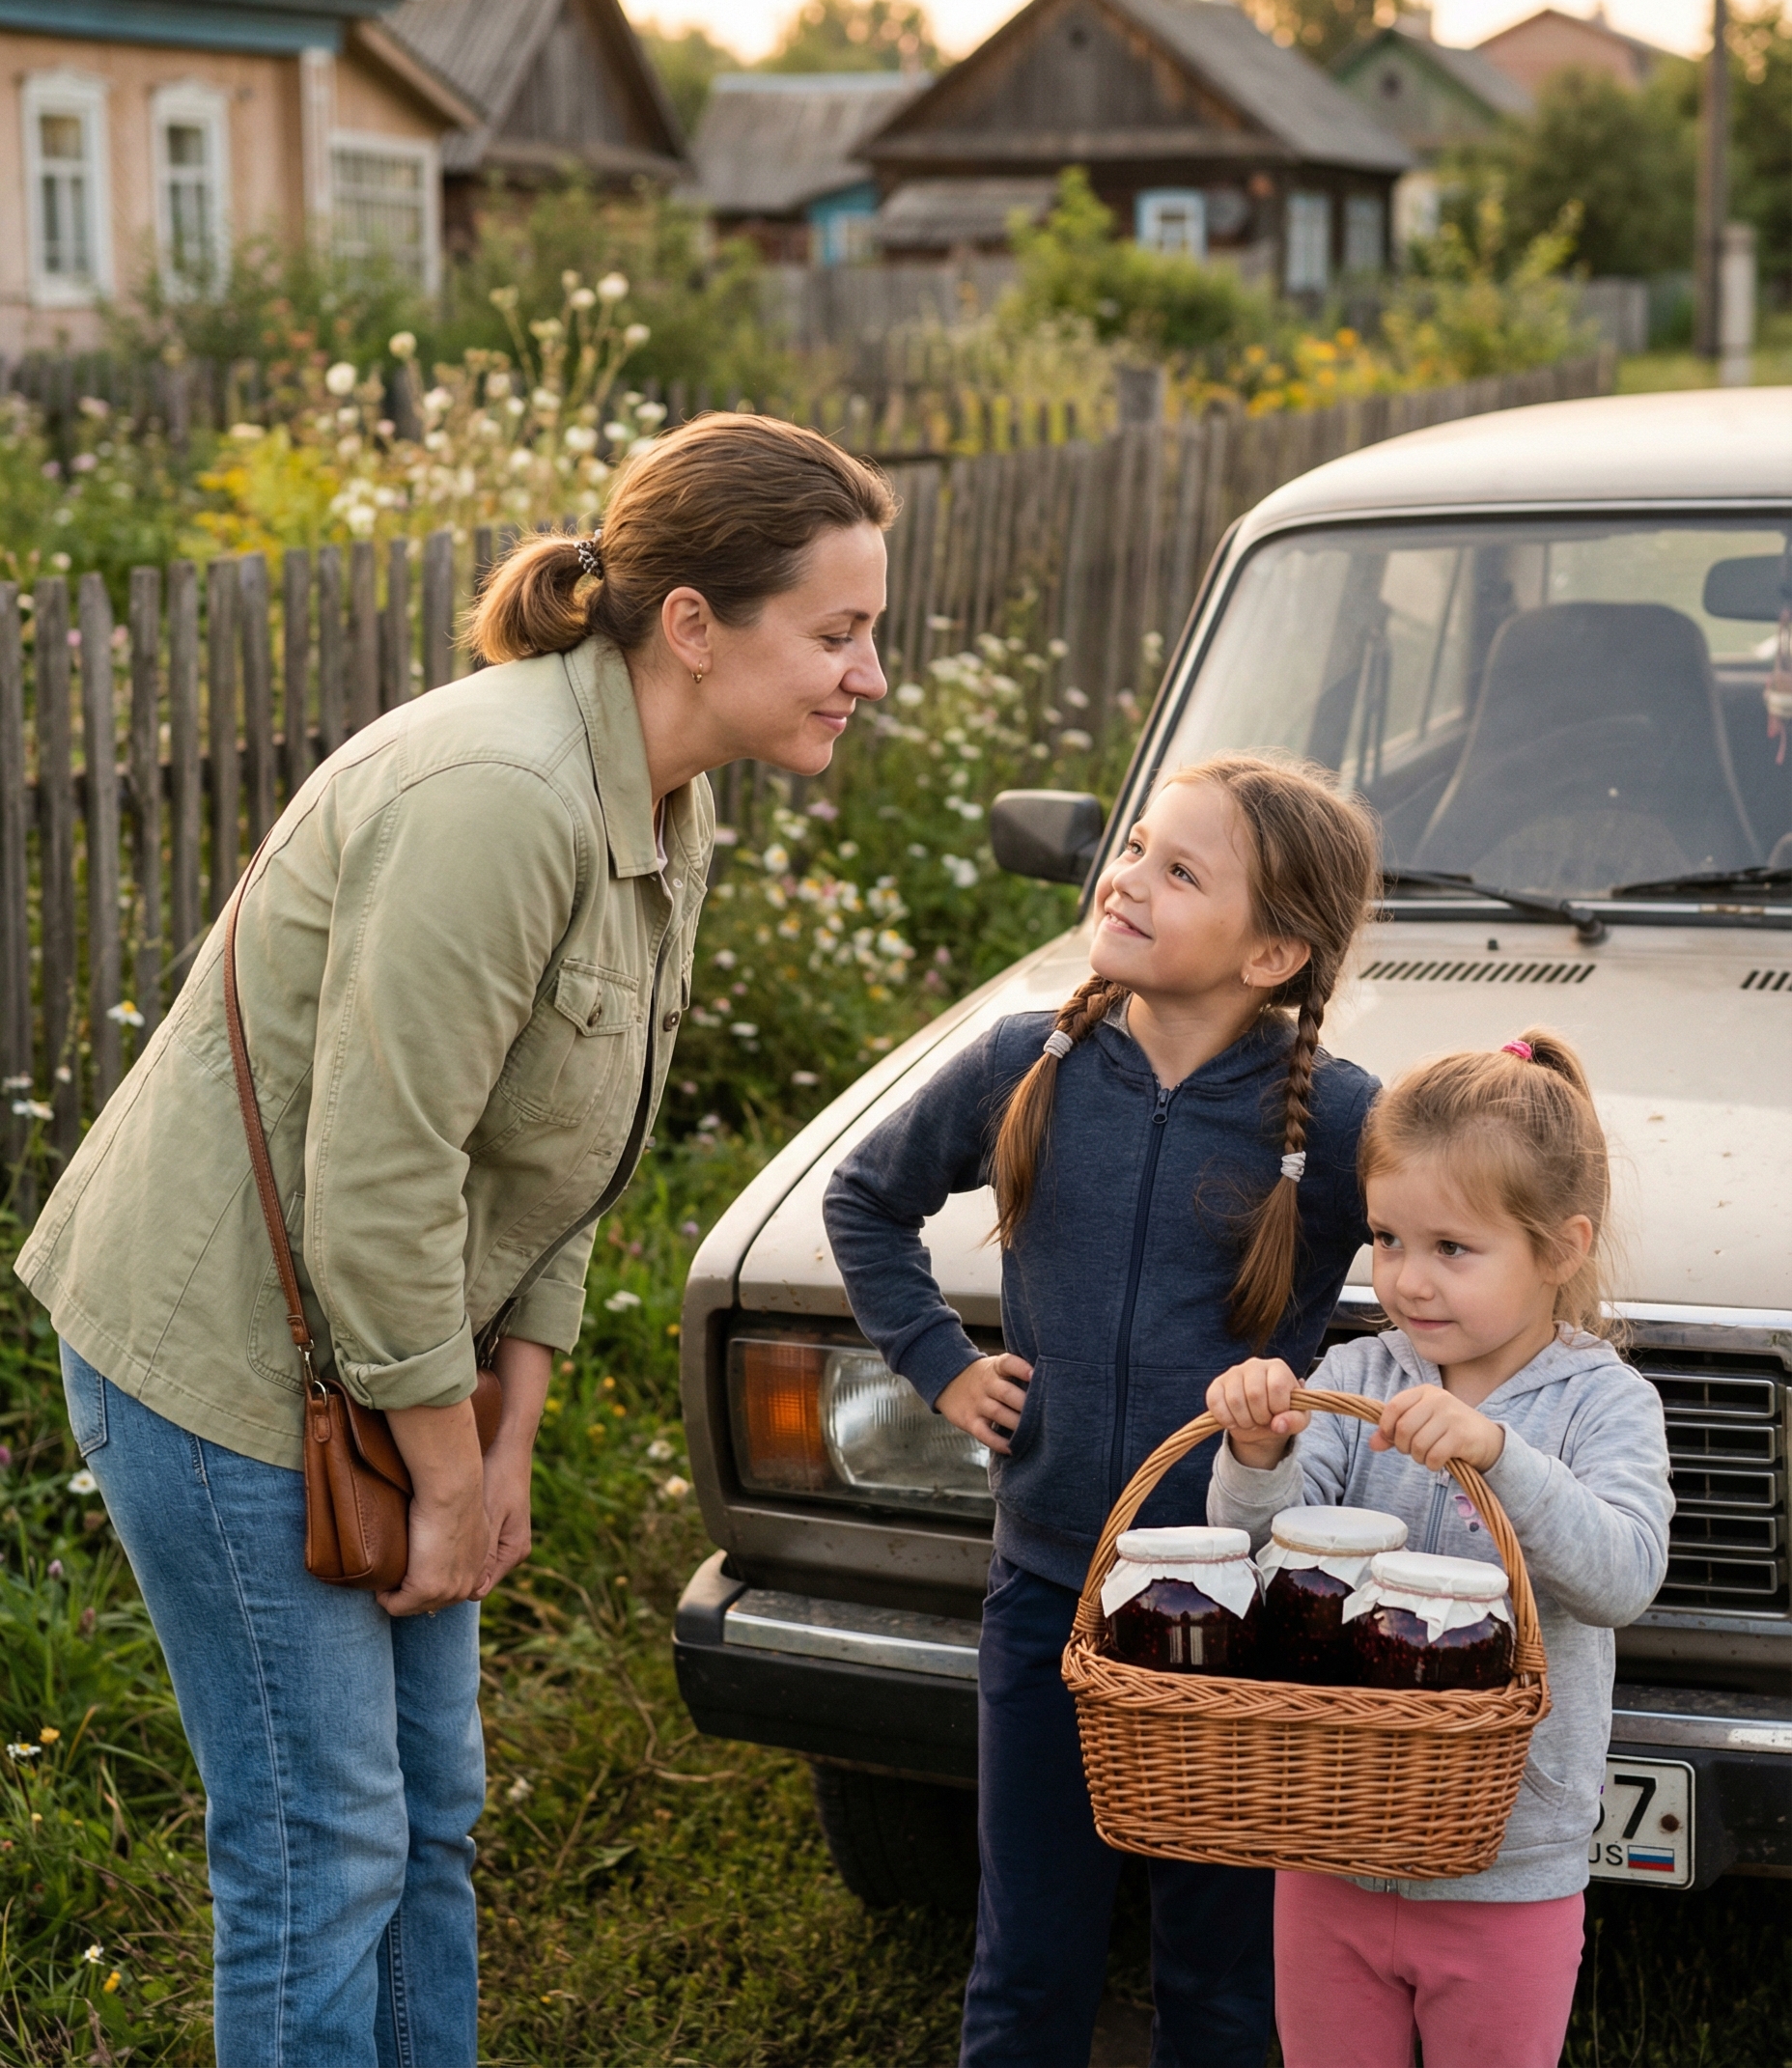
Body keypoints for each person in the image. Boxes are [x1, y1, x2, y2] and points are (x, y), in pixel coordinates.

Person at [16, 414, 894, 2068]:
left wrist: (509, 1433)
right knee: (321, 1836)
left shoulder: (664, 787)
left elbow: (560, 1147)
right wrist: (438, 1466)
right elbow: (380, 1175)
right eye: (836, 631)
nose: (867, 673)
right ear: (695, 620)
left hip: (399, 1353)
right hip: (225, 1361)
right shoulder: (498, 795)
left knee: (433, 1812)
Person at [825, 754, 1384, 2068]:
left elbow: (1444, 1280)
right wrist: (939, 1360)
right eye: (1135, 846)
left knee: (1224, 1984)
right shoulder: (1031, 1060)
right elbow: (866, 1200)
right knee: (1027, 1965)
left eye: (1180, 871)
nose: (1126, 877)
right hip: (1044, 1599)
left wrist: (1368, 1429)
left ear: (1272, 952)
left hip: (1242, 1619)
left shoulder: (1343, 1119)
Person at [1205, 1028, 1672, 2068]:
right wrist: (1253, 1453)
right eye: (1386, 1239)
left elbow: (1622, 1577)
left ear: (1559, 1247)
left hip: (1507, 1867)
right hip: (1325, 1843)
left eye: (1450, 1249)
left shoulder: (1603, 1405)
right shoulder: (1355, 1376)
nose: (1407, 1281)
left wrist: (1500, 1455)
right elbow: (1248, 1568)